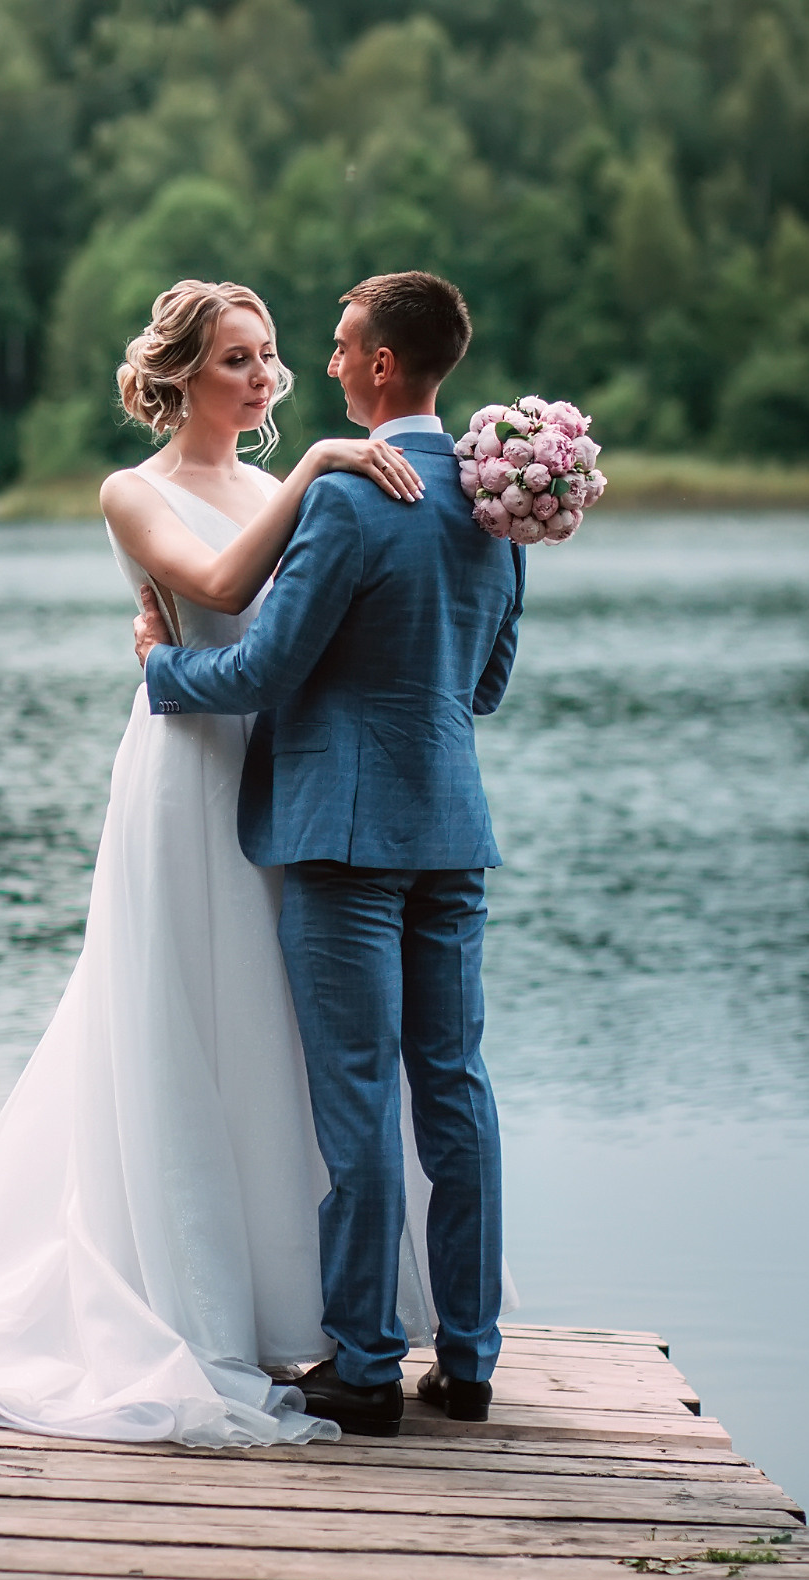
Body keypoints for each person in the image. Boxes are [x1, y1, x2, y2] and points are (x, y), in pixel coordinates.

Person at [0, 279, 448, 1446]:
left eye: (268, 359)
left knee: (279, 1029)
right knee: (181, 1014)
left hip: (284, 774)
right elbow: (213, 590)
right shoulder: (138, 491)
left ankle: (284, 1301)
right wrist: (317, 469)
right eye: (235, 362)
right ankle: (176, 1289)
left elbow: (314, 632)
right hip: (184, 776)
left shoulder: (279, 483)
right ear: (179, 378)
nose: (261, 379)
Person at [135, 270, 522, 1438]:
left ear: (384, 367)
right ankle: (467, 1357)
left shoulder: (346, 499)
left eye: (345, 345)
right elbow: (485, 685)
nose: (330, 362)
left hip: (340, 841)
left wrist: (158, 667)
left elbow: (259, 672)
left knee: (354, 1100)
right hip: (450, 832)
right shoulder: (497, 497)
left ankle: (363, 1364)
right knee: (453, 1090)